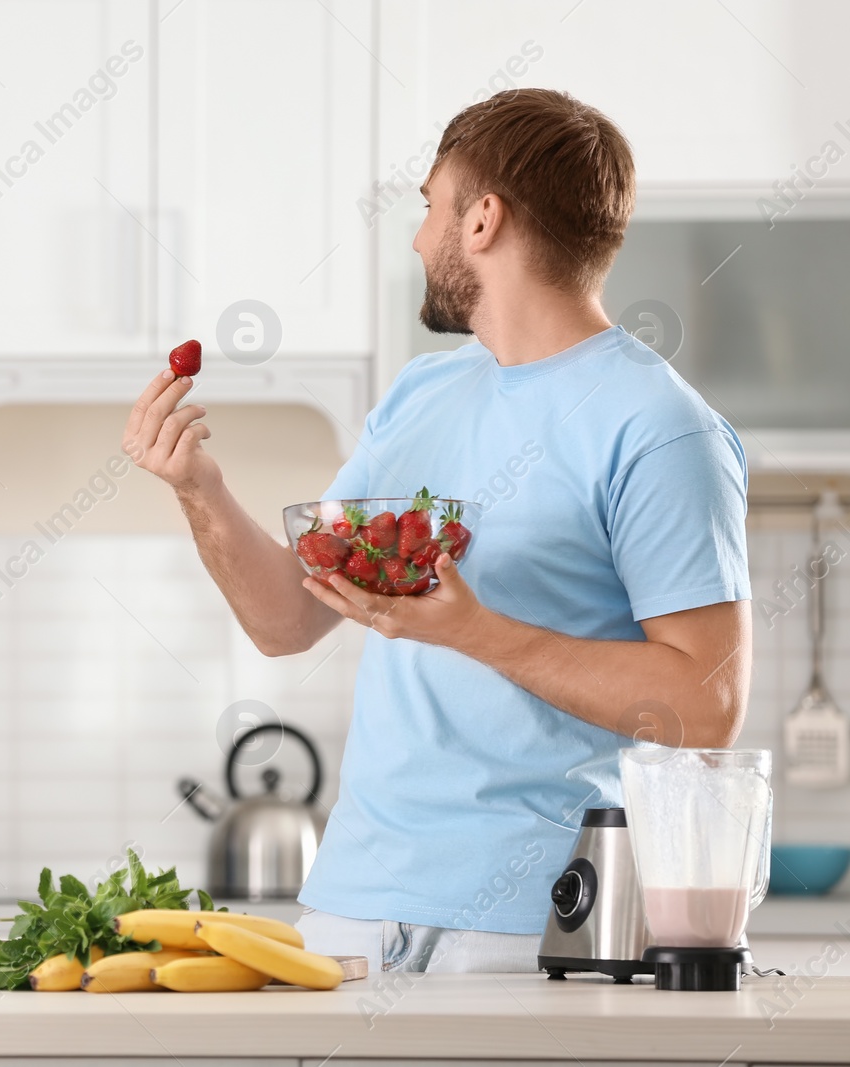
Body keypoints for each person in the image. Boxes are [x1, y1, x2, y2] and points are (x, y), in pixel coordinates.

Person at [124, 88, 750, 974]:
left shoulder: (660, 428)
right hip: (347, 913)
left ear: (483, 219)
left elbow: (705, 708)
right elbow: (286, 621)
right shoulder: (422, 396)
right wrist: (200, 490)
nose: (420, 237)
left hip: (534, 924)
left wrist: (476, 631)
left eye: (429, 205)